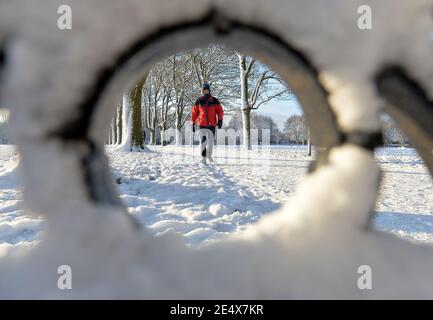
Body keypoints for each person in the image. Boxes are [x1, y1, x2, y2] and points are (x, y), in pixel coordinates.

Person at [191, 83, 224, 164]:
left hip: (212, 125)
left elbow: (220, 111)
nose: (206, 91)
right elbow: (194, 113)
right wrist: (193, 123)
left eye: (207, 90)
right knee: (203, 142)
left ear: (209, 91)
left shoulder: (214, 100)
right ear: (202, 91)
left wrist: (220, 120)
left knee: (210, 142)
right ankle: (203, 158)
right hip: (202, 124)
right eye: (204, 90)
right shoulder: (199, 100)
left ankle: (209, 156)